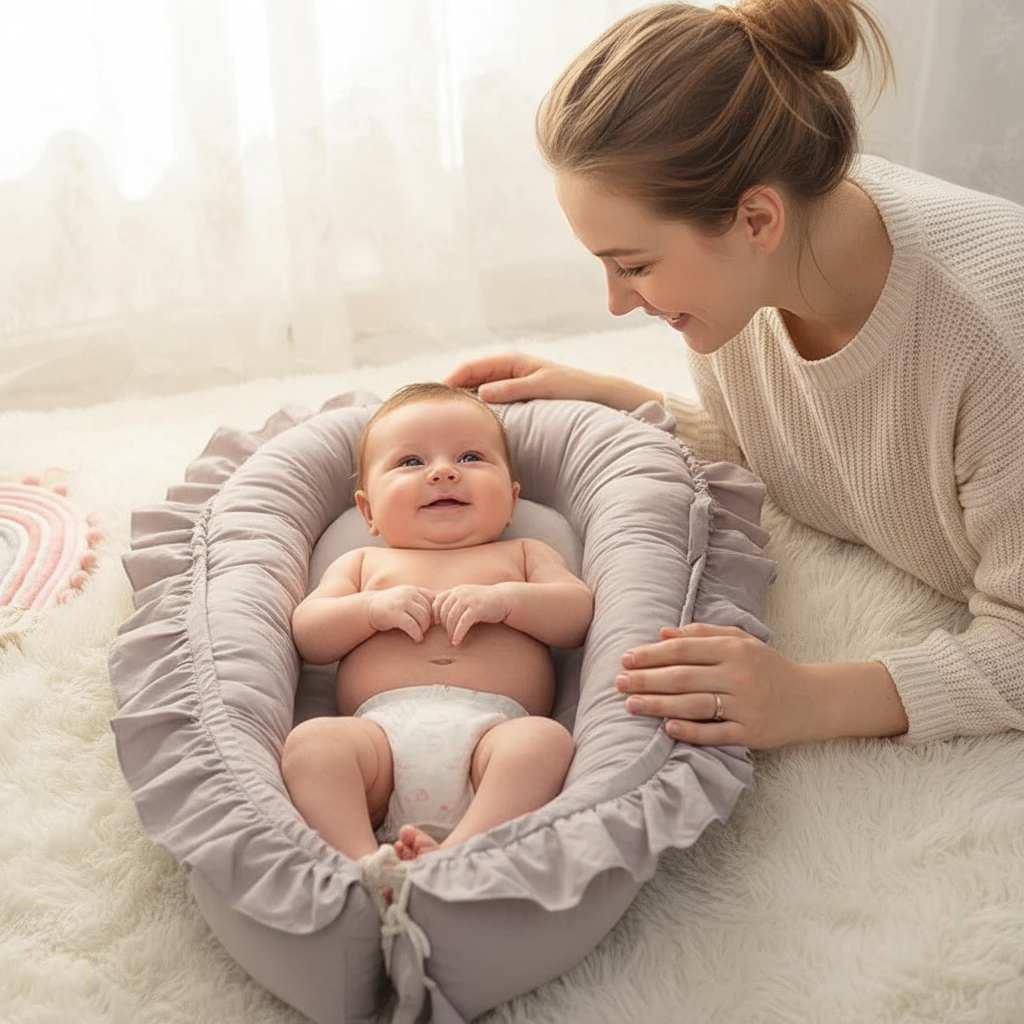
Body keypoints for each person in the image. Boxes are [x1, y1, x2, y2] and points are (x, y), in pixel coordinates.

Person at [446, 0, 1024, 751]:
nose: (618, 304)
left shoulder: (992, 337)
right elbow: (811, 453)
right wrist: (620, 400)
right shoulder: (753, 283)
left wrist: (810, 698)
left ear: (757, 220)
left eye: (635, 266)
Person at [281, 382, 593, 862]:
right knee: (313, 744)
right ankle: (360, 863)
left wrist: (505, 601)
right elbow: (310, 635)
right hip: (378, 743)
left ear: (512, 501)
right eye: (411, 462)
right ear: (369, 511)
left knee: (544, 743)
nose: (444, 472)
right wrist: (370, 610)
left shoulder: (525, 553)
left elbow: (575, 616)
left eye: (470, 457)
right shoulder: (361, 564)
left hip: (493, 739)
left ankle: (458, 854)